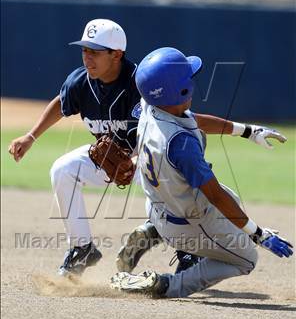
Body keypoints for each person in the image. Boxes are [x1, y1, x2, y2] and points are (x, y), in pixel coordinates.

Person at [8, 19, 287, 277]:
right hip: (107, 159)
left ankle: (185, 250)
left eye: (95, 50)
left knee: (173, 182)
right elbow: (62, 102)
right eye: (85, 50)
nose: (87, 56)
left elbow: (190, 121)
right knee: (63, 169)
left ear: (116, 54)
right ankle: (82, 250)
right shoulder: (80, 82)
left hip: (149, 161)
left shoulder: (142, 82)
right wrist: (31, 136)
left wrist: (246, 130)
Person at [110, 47, 293, 298]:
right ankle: (166, 285)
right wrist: (258, 234)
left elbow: (192, 119)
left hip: (159, 208)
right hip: (187, 224)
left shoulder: (151, 106)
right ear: (181, 91)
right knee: (246, 259)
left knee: (233, 203)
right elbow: (216, 196)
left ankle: (153, 231)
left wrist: (247, 130)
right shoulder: (181, 145)